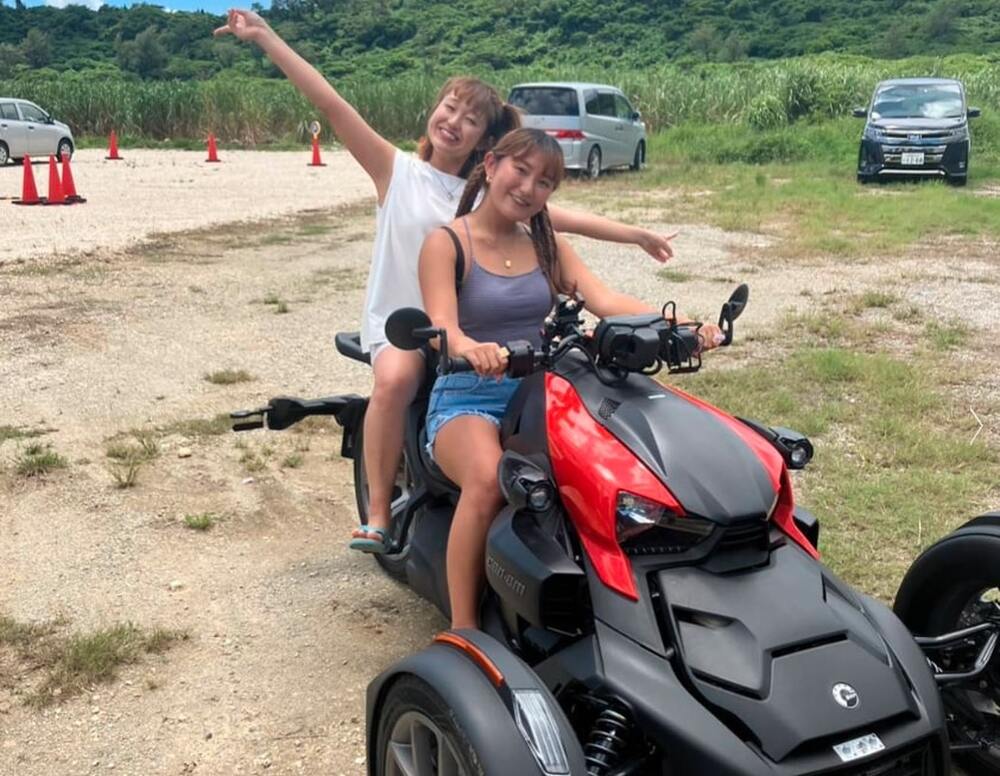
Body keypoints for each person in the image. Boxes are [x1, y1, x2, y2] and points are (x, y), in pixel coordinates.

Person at [215, 10, 685, 555]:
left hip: (472, 327)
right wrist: (266, 37)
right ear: (434, 110)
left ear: (486, 142)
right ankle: (378, 511)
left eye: (471, 119)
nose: (454, 122)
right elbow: (332, 105)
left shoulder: (487, 192)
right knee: (396, 379)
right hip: (408, 325)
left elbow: (563, 219)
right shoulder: (395, 170)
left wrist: (636, 235)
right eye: (450, 107)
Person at [419, 128, 723, 629]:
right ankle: (464, 628)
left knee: (608, 471)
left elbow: (606, 301)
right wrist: (472, 349)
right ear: (491, 166)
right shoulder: (447, 243)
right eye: (521, 170)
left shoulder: (545, 245)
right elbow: (441, 327)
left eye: (544, 182)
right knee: (488, 481)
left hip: (542, 393)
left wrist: (680, 326)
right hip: (469, 396)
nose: (528, 188)